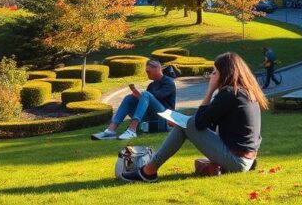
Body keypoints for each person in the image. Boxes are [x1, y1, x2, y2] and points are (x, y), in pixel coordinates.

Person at [120, 52, 266, 182]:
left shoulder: (229, 94)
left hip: (238, 161)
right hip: (245, 159)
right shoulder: (245, 92)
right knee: (185, 123)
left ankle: (148, 171)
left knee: (188, 123)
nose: (211, 76)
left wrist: (210, 90)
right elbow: (208, 124)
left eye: (214, 72)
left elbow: (199, 124)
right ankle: (149, 170)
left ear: (225, 73)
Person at [93, 59, 177, 140]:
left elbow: (156, 97)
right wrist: (136, 95)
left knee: (145, 94)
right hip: (150, 117)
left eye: (148, 71)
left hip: (165, 117)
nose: (147, 74)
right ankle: (111, 130)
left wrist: (139, 95)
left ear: (158, 69)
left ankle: (132, 130)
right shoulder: (151, 85)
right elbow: (146, 102)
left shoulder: (168, 82)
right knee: (129, 98)